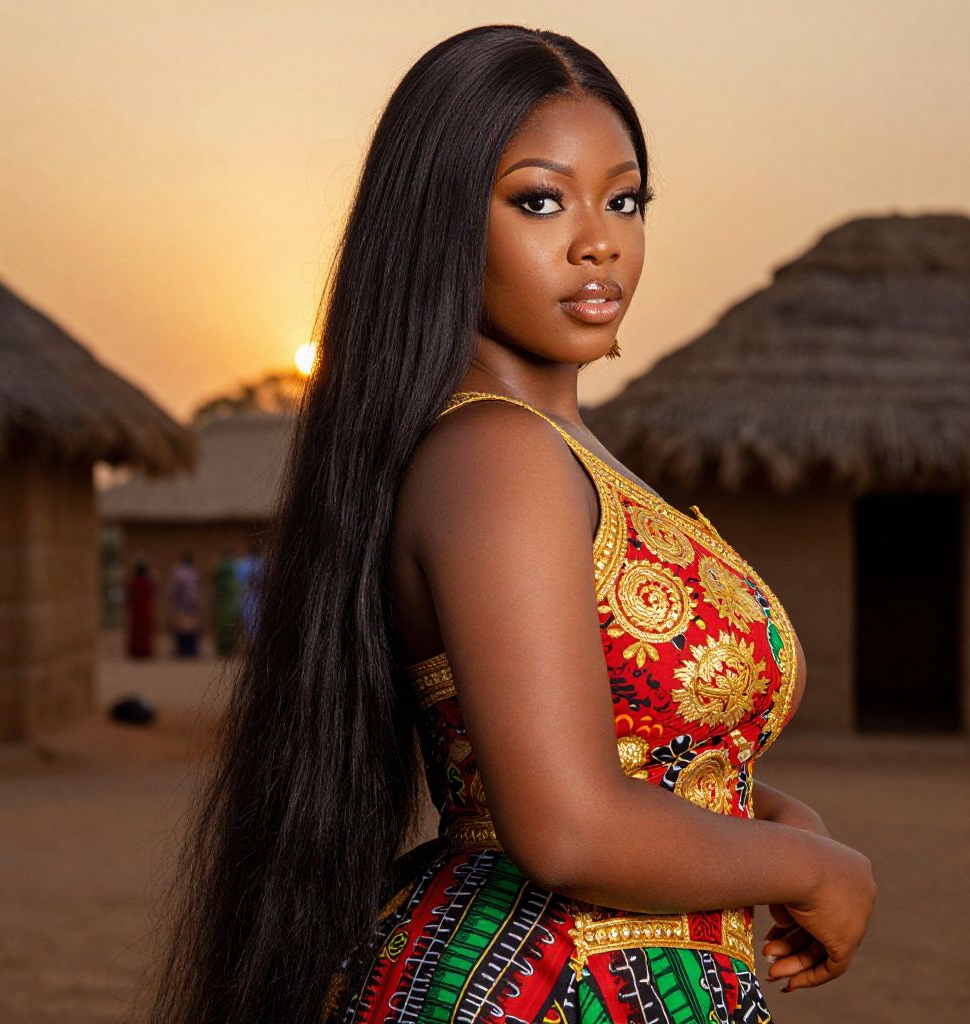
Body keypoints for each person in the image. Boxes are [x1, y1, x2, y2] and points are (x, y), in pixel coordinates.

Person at [143, 26, 876, 1024]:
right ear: (438, 225)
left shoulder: (565, 454)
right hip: (542, 989)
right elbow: (568, 825)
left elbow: (639, 751)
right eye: (538, 200)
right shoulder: (498, 456)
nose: (598, 239)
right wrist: (813, 867)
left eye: (625, 199)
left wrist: (776, 823)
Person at [168, 552, 201, 658]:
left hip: (181, 604)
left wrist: (172, 602)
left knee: (181, 627)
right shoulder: (195, 572)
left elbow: (174, 589)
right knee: (191, 627)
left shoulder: (177, 572)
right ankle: (192, 650)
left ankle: (182, 650)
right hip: (192, 604)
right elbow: (198, 589)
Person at [125, 555, 155, 659]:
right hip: (144, 611)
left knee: (138, 632)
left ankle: (138, 652)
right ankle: (143, 652)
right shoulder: (148, 583)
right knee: (143, 632)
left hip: (137, 611)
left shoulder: (133, 583)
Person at [211, 547, 239, 657]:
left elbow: (213, 579)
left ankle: (222, 650)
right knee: (232, 626)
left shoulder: (220, 566)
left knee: (221, 626)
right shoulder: (234, 566)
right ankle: (231, 649)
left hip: (222, 602)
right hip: (231, 601)